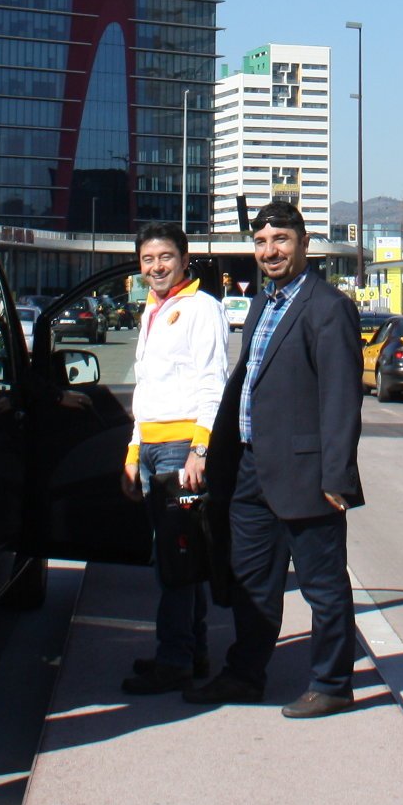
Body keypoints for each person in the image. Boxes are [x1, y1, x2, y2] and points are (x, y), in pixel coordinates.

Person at [189, 200, 364, 719]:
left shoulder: (327, 307)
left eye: (281, 241)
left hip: (307, 476)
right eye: (262, 243)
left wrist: (337, 475)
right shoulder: (265, 304)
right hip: (250, 472)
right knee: (252, 584)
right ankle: (245, 673)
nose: (270, 251)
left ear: (304, 244)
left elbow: (340, 397)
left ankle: (332, 683)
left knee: (323, 587)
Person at [119, 222, 228, 695]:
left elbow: (213, 381)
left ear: (184, 260)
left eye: (165, 257)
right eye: (147, 259)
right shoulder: (152, 310)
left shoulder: (202, 309)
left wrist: (201, 448)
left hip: (183, 447)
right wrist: (132, 449)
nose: (156, 267)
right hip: (151, 447)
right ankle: (191, 650)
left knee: (175, 562)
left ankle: (175, 660)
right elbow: (146, 389)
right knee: (179, 558)